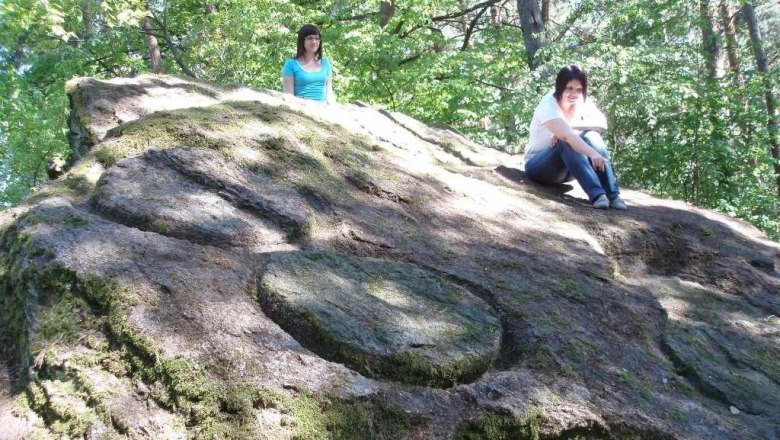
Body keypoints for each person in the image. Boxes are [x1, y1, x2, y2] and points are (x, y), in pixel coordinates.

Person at [524, 65, 627, 210]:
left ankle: (613, 195)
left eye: (579, 89)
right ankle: (597, 195)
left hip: (570, 169)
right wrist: (591, 153)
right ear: (560, 86)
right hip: (540, 167)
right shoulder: (548, 105)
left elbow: (602, 123)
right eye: (569, 88)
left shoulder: (581, 101)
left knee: (592, 135)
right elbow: (567, 137)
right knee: (565, 141)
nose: (574, 93)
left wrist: (571, 127)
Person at [282, 24, 335, 104]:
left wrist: (332, 107)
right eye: (310, 38)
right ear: (302, 41)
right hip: (300, 109)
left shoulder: (325, 63)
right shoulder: (290, 64)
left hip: (323, 109)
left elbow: (329, 94)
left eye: (316, 38)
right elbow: (288, 96)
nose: (314, 42)